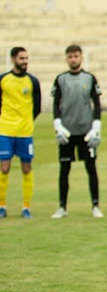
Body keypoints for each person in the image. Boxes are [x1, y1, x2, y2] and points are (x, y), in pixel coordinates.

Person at [51, 45, 103, 219]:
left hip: (86, 132)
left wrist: (96, 127)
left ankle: (95, 205)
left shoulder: (89, 78)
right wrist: (58, 124)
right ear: (66, 58)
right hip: (67, 133)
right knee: (64, 169)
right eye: (70, 56)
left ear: (81, 57)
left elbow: (96, 103)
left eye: (76, 56)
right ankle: (62, 207)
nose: (73, 59)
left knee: (91, 168)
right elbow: (56, 103)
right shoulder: (60, 79)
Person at [0, 47, 40, 219]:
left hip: (25, 132)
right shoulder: (3, 79)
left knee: (26, 168)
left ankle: (26, 207)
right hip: (5, 130)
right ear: (13, 59)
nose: (25, 61)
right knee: (4, 167)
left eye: (26, 58)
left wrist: (26, 121)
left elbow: (37, 107)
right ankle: (2, 206)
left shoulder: (32, 81)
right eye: (21, 58)